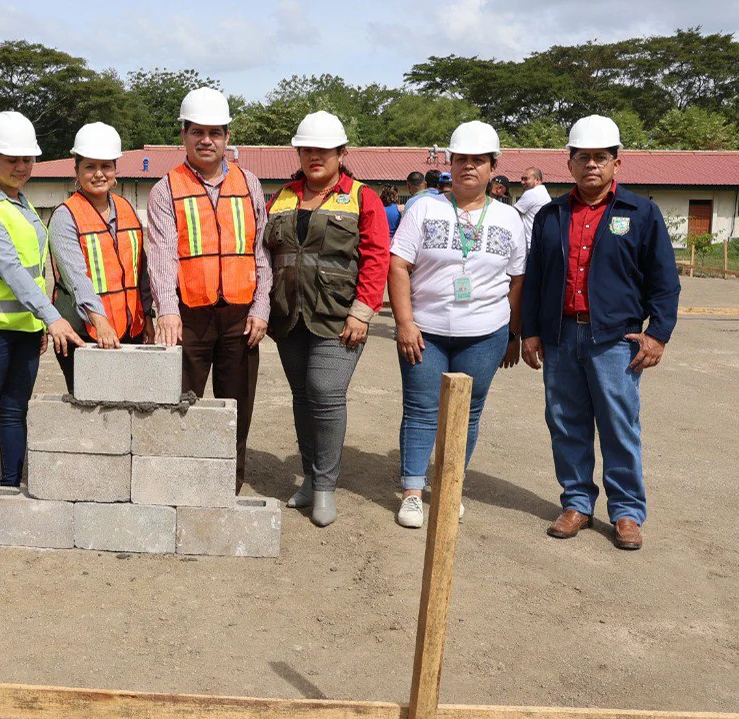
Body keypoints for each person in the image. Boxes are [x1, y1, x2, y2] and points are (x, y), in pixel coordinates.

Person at [521, 115, 680, 551]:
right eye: (583, 157)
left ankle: (627, 512)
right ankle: (576, 502)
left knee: (618, 426)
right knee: (566, 422)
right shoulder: (551, 215)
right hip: (560, 336)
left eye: (601, 158)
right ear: (568, 162)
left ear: (617, 163)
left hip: (615, 341)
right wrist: (530, 331)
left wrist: (658, 334)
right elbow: (535, 276)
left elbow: (664, 281)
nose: (592, 165)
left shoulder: (640, 213)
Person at [387, 120, 526, 529]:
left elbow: (518, 279)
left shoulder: (508, 217)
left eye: (478, 160)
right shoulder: (424, 208)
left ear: (492, 166)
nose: (469, 167)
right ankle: (413, 491)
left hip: (485, 334)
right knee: (421, 410)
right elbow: (398, 266)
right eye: (461, 159)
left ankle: (449, 486)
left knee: (468, 412)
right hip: (425, 331)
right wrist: (405, 322)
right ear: (450, 163)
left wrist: (513, 334)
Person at [0, 112, 84, 529]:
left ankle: (9, 488)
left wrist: (40, 322)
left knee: (15, 413)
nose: (21, 166)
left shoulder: (26, 208)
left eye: (27, 158)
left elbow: (36, 272)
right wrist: (53, 318)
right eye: (11, 158)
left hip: (24, 331)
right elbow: (9, 268)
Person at [265, 112, 390, 526]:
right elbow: (264, 256)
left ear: (341, 153)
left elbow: (376, 259)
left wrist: (363, 312)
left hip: (339, 318)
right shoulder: (281, 196)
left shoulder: (361, 197)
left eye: (323, 150)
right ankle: (308, 478)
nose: (314, 156)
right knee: (302, 397)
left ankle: (325, 485)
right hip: (288, 318)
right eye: (307, 149)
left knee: (325, 391)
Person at [147, 87, 271, 493]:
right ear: (182, 134)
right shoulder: (166, 189)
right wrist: (167, 309)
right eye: (197, 131)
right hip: (189, 316)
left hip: (240, 315)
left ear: (227, 138)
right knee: (180, 404)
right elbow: (162, 254)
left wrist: (261, 306)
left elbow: (261, 250)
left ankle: (226, 486)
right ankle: (180, 483)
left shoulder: (249, 184)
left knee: (236, 408)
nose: (206, 140)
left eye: (215, 132)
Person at [48, 122, 153, 392]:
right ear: (77, 171)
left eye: (105, 166)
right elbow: (75, 278)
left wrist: (148, 319)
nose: (98, 174)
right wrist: (100, 320)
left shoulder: (128, 209)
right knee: (93, 415)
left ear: (115, 170)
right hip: (84, 335)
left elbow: (140, 272)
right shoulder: (65, 216)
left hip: (129, 333)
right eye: (89, 167)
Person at [514, 166, 552, 245]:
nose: (522, 182)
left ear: (537, 180)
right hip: (538, 242)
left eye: (526, 179)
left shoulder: (532, 193)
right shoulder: (544, 193)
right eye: (522, 179)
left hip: (528, 243)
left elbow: (512, 214)